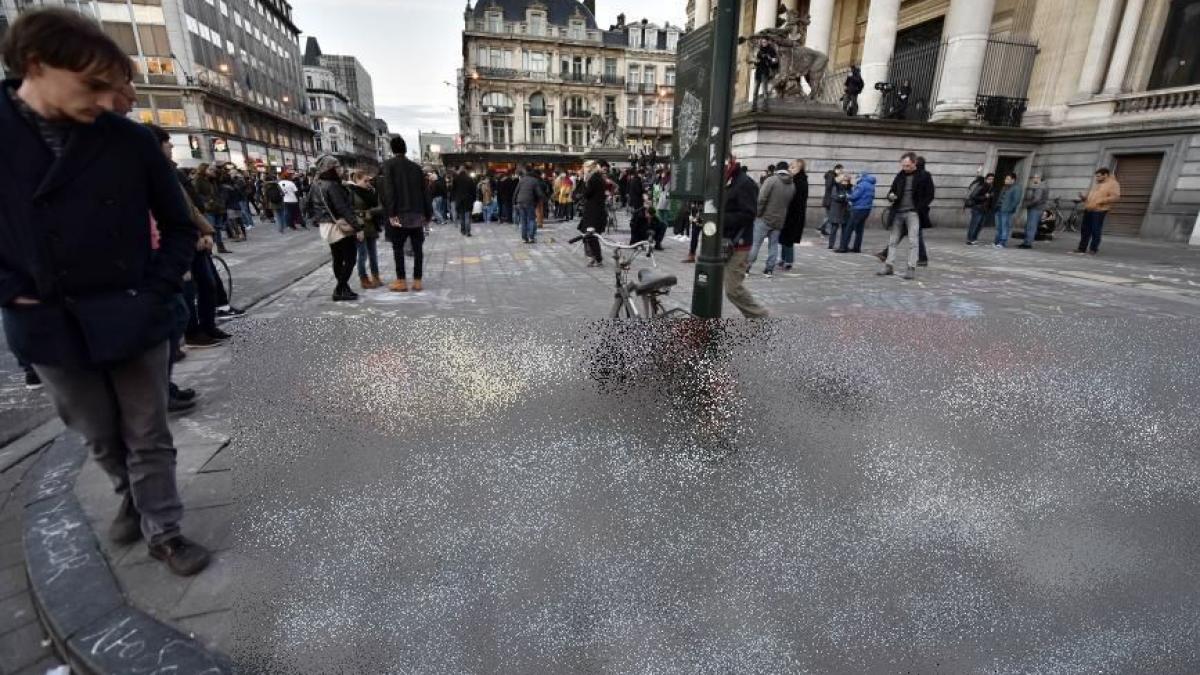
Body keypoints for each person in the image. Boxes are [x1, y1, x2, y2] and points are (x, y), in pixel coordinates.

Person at [0, 8, 211, 575]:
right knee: (97, 432)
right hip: (46, 320)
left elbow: (180, 224)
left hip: (130, 309)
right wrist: (11, 289)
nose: (105, 100)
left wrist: (158, 290)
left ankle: (164, 530)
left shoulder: (127, 140)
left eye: (111, 87)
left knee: (148, 432)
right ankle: (129, 494)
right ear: (36, 64)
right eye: (92, 85)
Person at [379, 136, 432, 292]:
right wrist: (428, 214)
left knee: (398, 248)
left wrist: (391, 212)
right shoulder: (416, 168)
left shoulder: (389, 165)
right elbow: (425, 192)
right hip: (417, 214)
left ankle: (401, 281)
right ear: (405, 148)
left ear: (392, 149)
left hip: (399, 214)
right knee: (417, 249)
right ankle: (417, 281)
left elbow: (389, 191)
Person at [308, 156, 361, 301]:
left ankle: (344, 288)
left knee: (337, 258)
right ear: (330, 169)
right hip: (338, 226)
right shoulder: (332, 185)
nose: (340, 169)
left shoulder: (316, 183)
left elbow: (308, 205)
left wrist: (317, 219)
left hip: (326, 226)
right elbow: (342, 208)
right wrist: (357, 227)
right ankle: (339, 288)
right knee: (350, 259)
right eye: (337, 167)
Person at [879, 152, 934, 280]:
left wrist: (918, 208)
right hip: (898, 212)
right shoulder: (900, 175)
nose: (905, 168)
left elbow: (930, 195)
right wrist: (891, 196)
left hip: (913, 213)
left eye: (907, 166)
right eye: (903, 165)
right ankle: (888, 266)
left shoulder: (924, 176)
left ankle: (911, 268)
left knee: (913, 241)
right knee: (892, 241)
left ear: (914, 163)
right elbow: (891, 191)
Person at [723, 163, 768, 317]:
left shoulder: (743, 183)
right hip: (722, 241)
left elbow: (749, 214)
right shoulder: (724, 179)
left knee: (733, 289)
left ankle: (759, 316)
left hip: (737, 243)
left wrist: (719, 219)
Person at [748, 162, 795, 277]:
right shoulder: (792, 185)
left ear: (777, 169)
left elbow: (761, 198)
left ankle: (747, 267)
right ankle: (769, 269)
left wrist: (758, 213)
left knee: (755, 244)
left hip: (764, 217)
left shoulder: (771, 180)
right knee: (773, 245)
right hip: (779, 219)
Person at [348, 170, 383, 290]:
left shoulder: (372, 191)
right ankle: (363, 278)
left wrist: (370, 212)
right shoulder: (351, 192)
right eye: (365, 181)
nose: (368, 183)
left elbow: (380, 207)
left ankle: (376, 276)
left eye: (369, 180)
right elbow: (349, 210)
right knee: (362, 254)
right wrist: (363, 214)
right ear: (357, 180)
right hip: (360, 227)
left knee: (373, 254)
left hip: (372, 226)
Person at [1074, 168, 1120, 255]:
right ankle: (1081, 248)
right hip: (1089, 208)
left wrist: (1101, 201)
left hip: (1100, 210)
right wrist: (1083, 198)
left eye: (1098, 176)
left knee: (1095, 229)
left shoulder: (1113, 184)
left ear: (1105, 175)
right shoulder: (1097, 184)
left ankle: (1093, 249)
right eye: (1096, 176)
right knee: (1085, 230)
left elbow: (1116, 197)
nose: (1097, 178)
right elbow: (1090, 197)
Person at [777, 160, 809, 270]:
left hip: (794, 215)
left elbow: (797, 200)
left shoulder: (800, 181)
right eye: (790, 167)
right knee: (783, 237)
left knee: (788, 239)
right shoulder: (792, 179)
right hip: (788, 213)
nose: (790, 169)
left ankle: (789, 261)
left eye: (793, 167)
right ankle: (782, 258)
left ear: (800, 169)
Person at [578, 160, 608, 266]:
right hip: (596, 210)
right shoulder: (598, 178)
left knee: (591, 235)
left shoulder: (593, 179)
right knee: (590, 234)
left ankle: (597, 258)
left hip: (593, 212)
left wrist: (583, 181)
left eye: (585, 167)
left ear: (590, 168)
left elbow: (586, 194)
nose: (584, 169)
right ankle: (594, 257)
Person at [840, 171, 875, 253]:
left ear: (861, 177)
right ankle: (857, 248)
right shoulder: (871, 185)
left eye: (857, 177)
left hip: (858, 209)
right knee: (859, 229)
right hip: (867, 209)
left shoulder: (861, 185)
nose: (856, 179)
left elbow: (854, 196)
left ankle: (843, 247)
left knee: (849, 228)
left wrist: (848, 196)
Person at [966, 173, 996, 245]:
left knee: (980, 225)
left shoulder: (991, 187)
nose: (991, 180)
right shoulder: (981, 186)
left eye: (992, 179)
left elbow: (991, 199)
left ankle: (974, 238)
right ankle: (970, 239)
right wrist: (985, 196)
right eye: (989, 179)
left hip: (985, 209)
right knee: (974, 224)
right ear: (986, 179)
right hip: (977, 207)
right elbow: (973, 196)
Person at [514, 168, 542, 244]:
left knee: (523, 221)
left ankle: (524, 238)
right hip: (530, 202)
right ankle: (531, 237)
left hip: (520, 202)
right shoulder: (535, 181)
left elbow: (516, 192)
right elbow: (539, 193)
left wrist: (514, 203)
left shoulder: (522, 180)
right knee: (531, 219)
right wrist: (540, 200)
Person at [1020, 173, 1048, 249]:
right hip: (1038, 208)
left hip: (1035, 209)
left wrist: (1028, 205)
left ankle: (1027, 243)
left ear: (1039, 178)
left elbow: (1037, 199)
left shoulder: (1040, 186)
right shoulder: (1043, 186)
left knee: (1031, 226)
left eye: (1035, 178)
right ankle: (1026, 242)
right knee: (1030, 226)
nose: (1033, 179)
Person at [826, 173, 852, 250]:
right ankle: (831, 245)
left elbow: (851, 196)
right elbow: (835, 197)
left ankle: (843, 245)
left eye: (847, 181)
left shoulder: (849, 188)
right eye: (844, 181)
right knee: (834, 228)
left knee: (844, 229)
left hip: (845, 210)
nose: (845, 183)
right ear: (841, 180)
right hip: (836, 210)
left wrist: (845, 197)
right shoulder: (836, 186)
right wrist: (844, 197)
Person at [994, 172, 1021, 248]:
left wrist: (1010, 209)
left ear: (1013, 180)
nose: (1006, 180)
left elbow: (1016, 200)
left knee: (1005, 226)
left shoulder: (1017, 188)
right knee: (999, 226)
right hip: (999, 209)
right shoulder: (1004, 187)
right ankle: (997, 241)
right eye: (1005, 178)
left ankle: (1002, 242)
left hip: (1006, 211)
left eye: (1008, 179)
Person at [451, 166, 475, 236]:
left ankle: (463, 230)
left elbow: (453, 190)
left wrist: (455, 198)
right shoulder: (469, 179)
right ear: (465, 171)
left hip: (459, 200)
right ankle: (468, 232)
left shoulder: (456, 179)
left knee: (462, 216)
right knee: (467, 216)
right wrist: (473, 199)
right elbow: (473, 191)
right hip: (468, 200)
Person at [820, 164, 843, 236]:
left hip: (830, 198)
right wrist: (836, 182)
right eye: (841, 170)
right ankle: (820, 228)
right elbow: (829, 186)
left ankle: (822, 229)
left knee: (828, 216)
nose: (841, 172)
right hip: (829, 199)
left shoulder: (833, 176)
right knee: (830, 216)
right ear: (837, 169)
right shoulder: (831, 175)